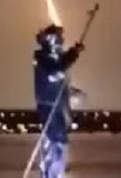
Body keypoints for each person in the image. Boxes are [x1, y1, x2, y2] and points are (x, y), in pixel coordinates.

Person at [33, 24, 84, 178]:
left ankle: (55, 174)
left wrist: (72, 93)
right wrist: (73, 54)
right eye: (58, 38)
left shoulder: (55, 58)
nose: (61, 41)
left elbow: (61, 71)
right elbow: (55, 70)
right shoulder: (43, 58)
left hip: (58, 108)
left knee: (59, 145)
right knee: (54, 144)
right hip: (49, 108)